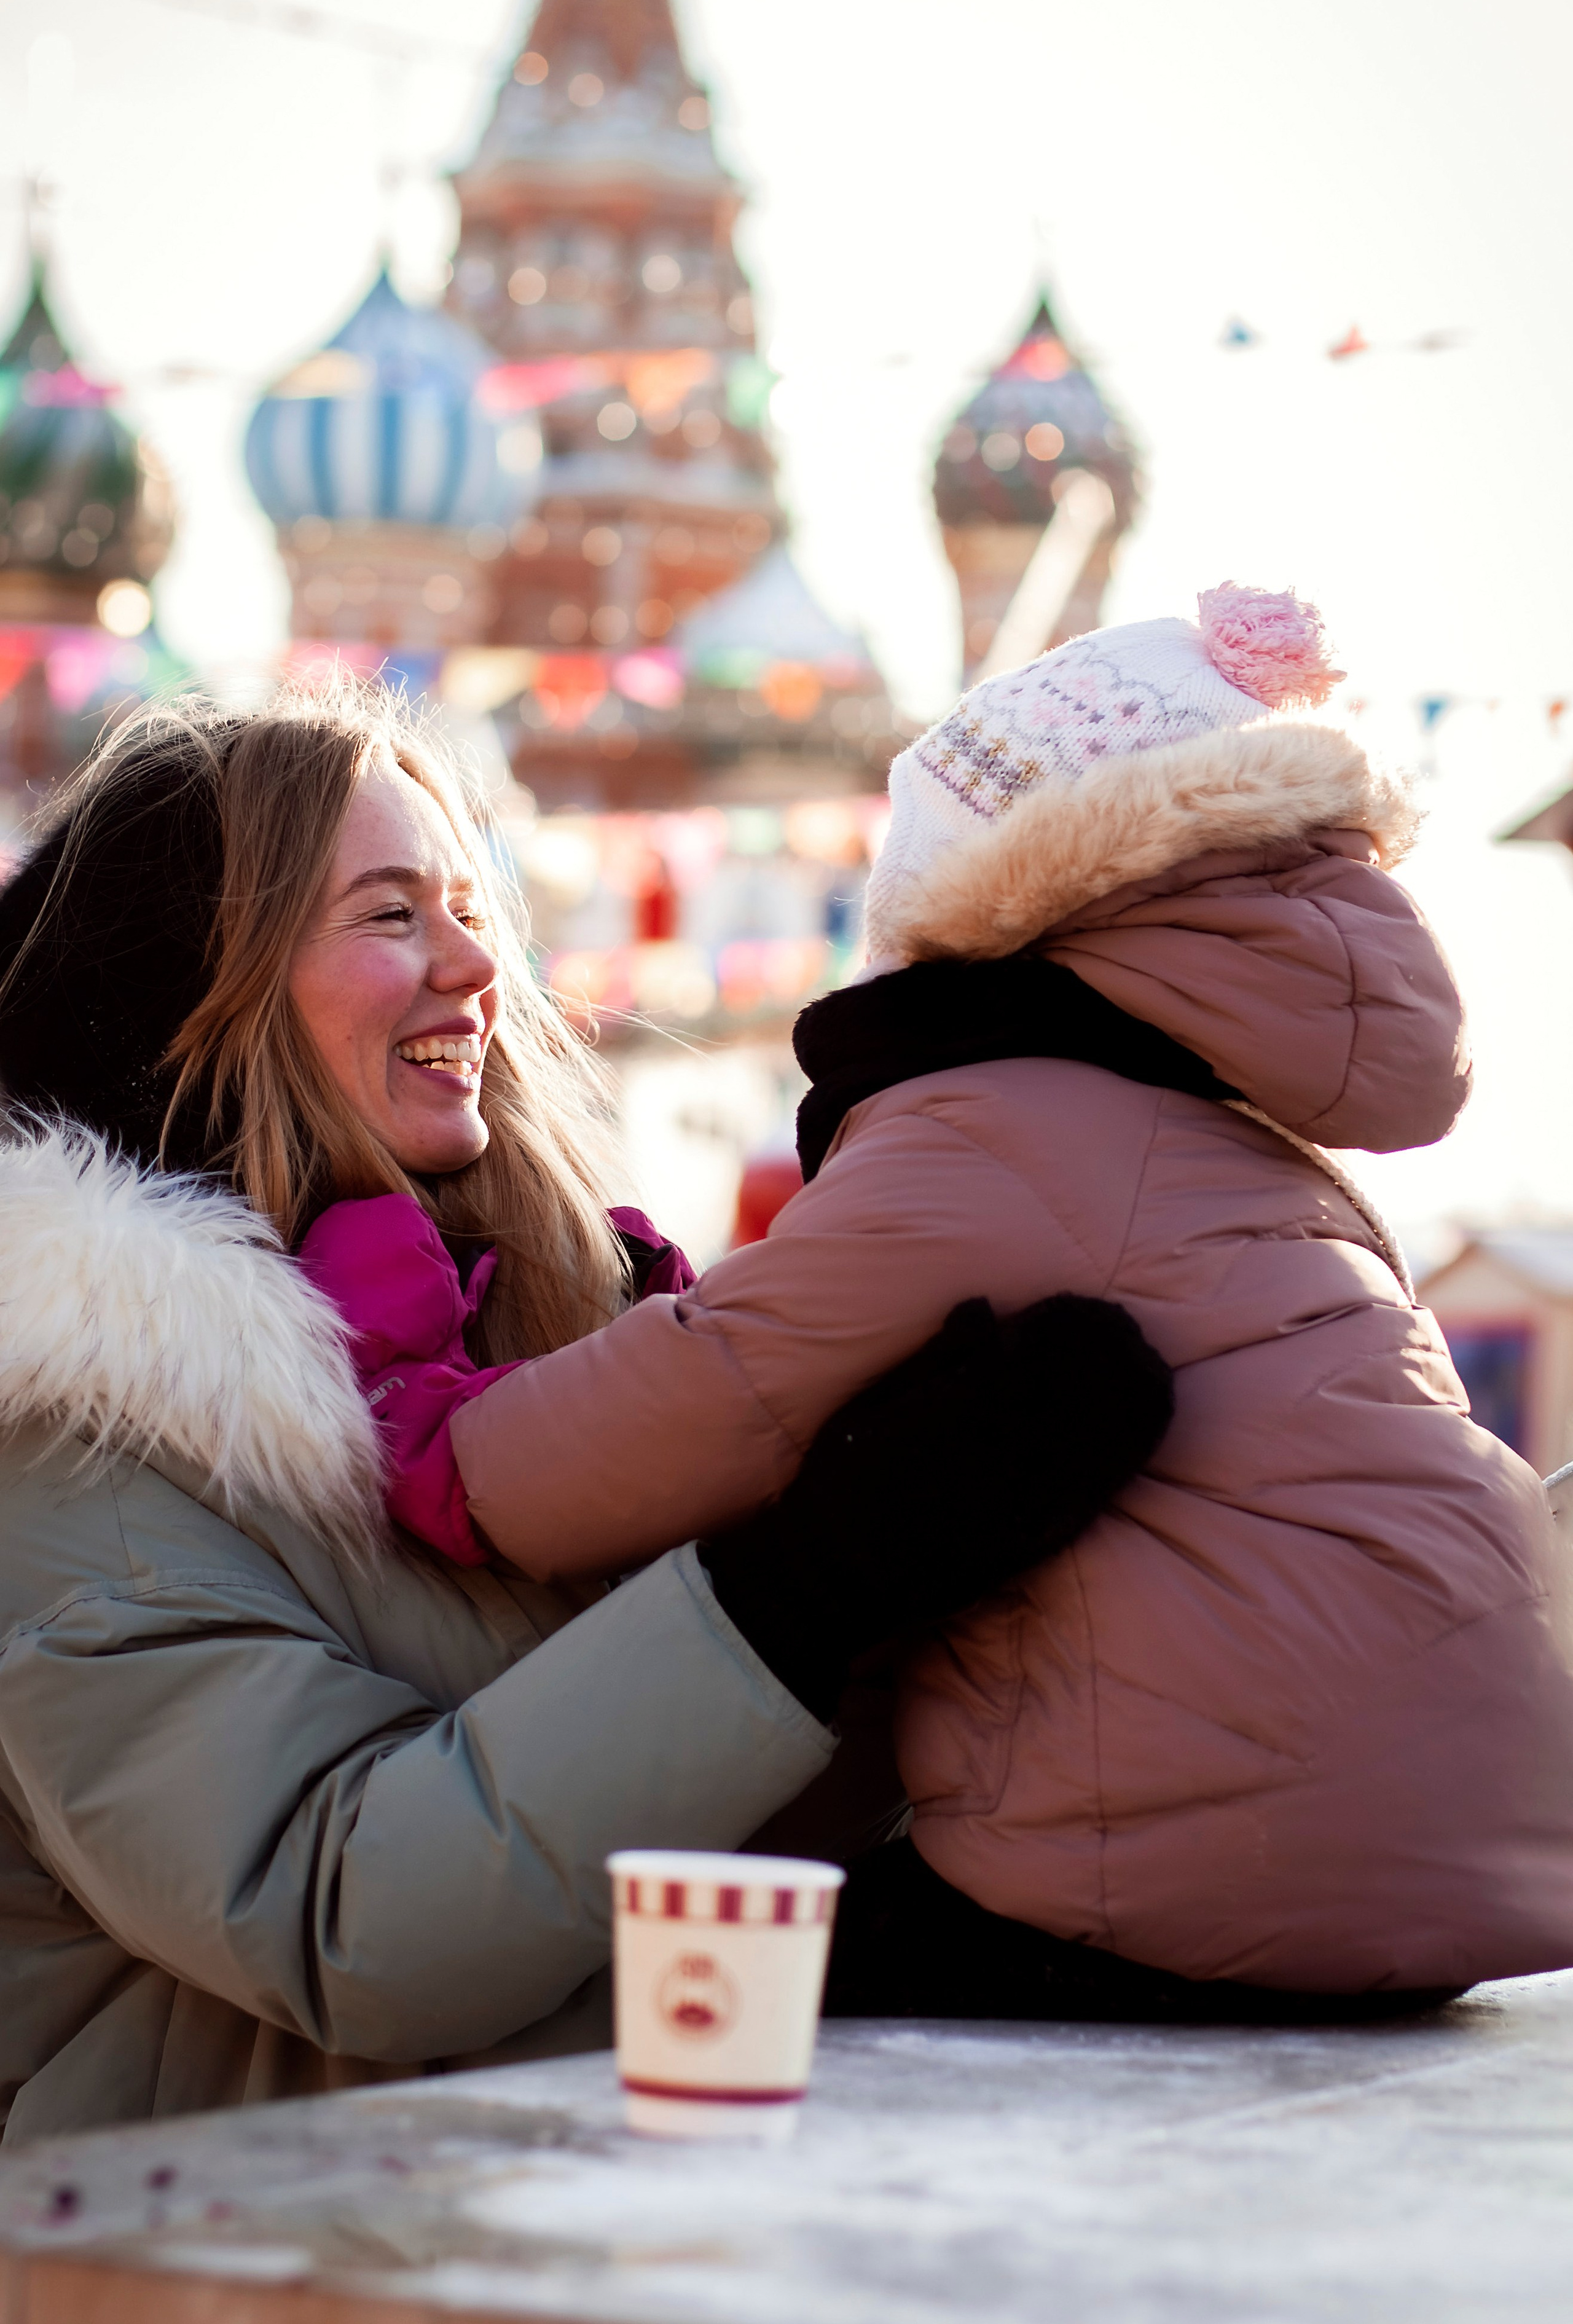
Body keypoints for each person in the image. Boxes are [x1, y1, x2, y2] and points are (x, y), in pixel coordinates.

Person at [337, 583, 1573, 2014]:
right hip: (1465, 1862)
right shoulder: (1252, 1152)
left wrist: (441, 1437)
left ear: (987, 896)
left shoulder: (995, 1125)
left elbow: (692, 1402)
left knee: (638, 1982)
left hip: (1188, 1884)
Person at [0, 680, 1170, 2139]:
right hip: (221, 2255)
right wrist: (805, 1584)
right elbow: (346, 1917)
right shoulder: (80, 1439)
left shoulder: (529, 1361)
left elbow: (693, 1827)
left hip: (571, 2210)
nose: (469, 967)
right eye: (386, 915)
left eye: (469, 906)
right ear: (188, 986)